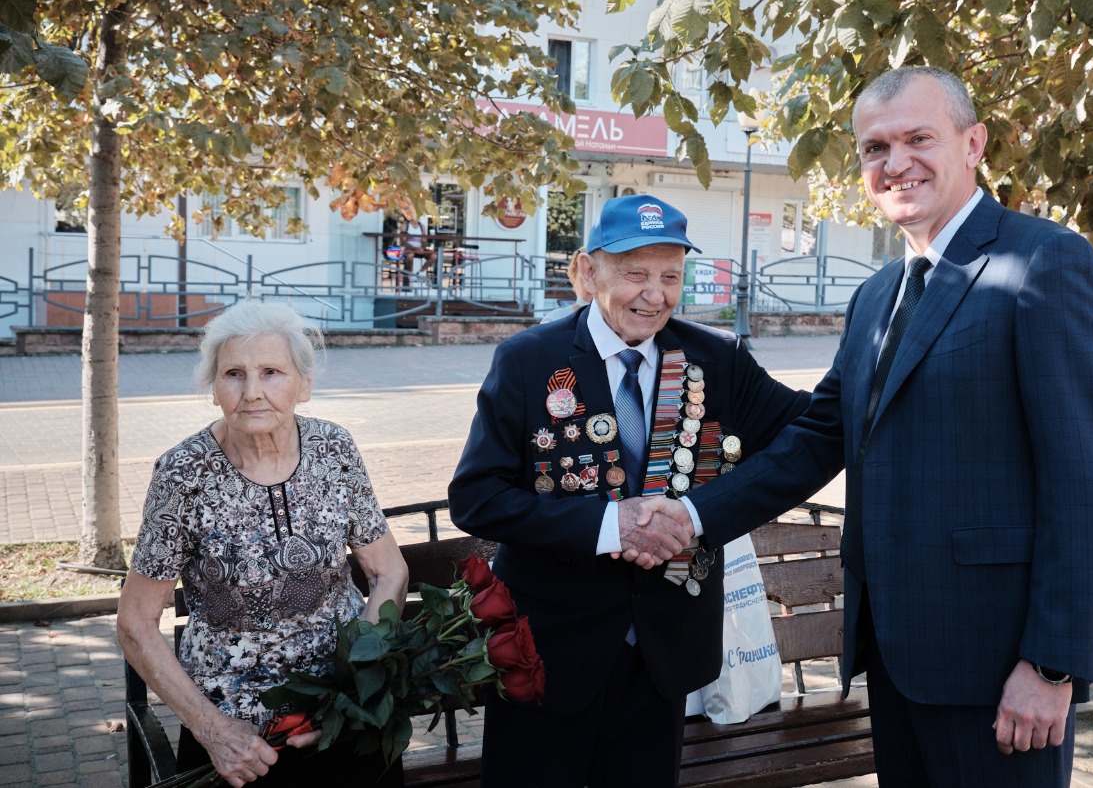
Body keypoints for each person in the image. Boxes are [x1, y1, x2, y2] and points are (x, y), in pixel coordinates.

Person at [632, 66, 1093, 786]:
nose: (896, 162)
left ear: (974, 143)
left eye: (918, 138)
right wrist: (686, 514)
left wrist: (1054, 662)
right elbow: (815, 439)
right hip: (894, 656)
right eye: (875, 147)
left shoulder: (1045, 262)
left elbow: (1091, 485)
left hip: (1001, 669)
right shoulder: (876, 295)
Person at [449, 194, 809, 787]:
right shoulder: (529, 360)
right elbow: (476, 498)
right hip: (548, 655)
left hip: (661, 655)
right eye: (635, 273)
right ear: (587, 272)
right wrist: (611, 526)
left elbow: (809, 429)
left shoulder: (715, 359)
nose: (655, 293)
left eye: (671, 275)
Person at [117, 298, 409, 788]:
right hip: (237, 734)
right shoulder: (183, 472)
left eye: (272, 371)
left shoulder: (334, 449)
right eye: (233, 374)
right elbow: (136, 623)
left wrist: (352, 688)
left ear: (305, 384)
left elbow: (389, 573)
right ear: (214, 388)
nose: (252, 392)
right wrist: (213, 730)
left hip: (341, 711)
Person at [540, 246, 592, 323]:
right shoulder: (555, 319)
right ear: (573, 280)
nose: (591, 284)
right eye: (584, 277)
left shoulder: (612, 323)